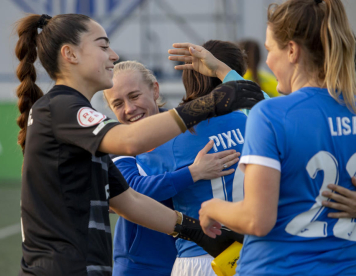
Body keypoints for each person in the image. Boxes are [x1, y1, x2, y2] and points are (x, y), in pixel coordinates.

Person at [14, 14, 264, 276]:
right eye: (102, 46)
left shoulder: (71, 118)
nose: (112, 55)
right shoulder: (60, 107)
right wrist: (207, 104)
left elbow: (129, 201)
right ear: (70, 54)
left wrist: (194, 231)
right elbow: (130, 140)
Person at [190, 0, 356, 275]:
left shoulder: (271, 115)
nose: (266, 60)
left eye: (269, 49)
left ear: (292, 50)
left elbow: (257, 220)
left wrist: (212, 208)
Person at [103, 61, 241, 276]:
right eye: (118, 103)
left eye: (134, 96)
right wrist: (193, 173)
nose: (129, 109)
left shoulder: (188, 130)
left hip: (194, 257)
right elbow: (130, 191)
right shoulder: (117, 142)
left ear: (155, 90)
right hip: (141, 264)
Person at [130, 40, 254, 276]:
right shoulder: (256, 123)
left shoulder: (168, 139)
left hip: (198, 259)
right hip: (255, 254)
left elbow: (132, 193)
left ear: (187, 78)